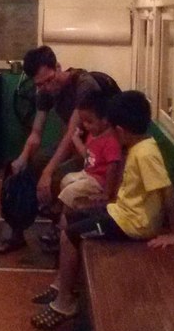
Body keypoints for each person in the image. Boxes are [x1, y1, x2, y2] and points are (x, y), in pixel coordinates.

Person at [30, 90, 174, 330]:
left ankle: (65, 303)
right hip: (121, 212)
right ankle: (62, 285)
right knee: (70, 217)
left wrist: (173, 232)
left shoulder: (145, 153)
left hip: (132, 224)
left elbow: (167, 190)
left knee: (71, 235)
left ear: (120, 130)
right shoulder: (140, 147)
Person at [0, 45, 118, 254]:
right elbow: (36, 133)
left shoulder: (84, 85)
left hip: (94, 149)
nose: (46, 87)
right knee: (29, 167)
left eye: (49, 80)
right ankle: (18, 232)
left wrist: (48, 172)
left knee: (56, 176)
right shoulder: (44, 91)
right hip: (75, 143)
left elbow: (71, 133)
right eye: (40, 84)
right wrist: (22, 159)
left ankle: (60, 229)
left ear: (58, 67)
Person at [48, 89, 122, 238]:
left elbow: (113, 168)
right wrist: (76, 139)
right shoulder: (94, 135)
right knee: (65, 180)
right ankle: (65, 214)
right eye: (83, 122)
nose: (86, 126)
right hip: (89, 173)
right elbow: (87, 156)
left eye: (90, 122)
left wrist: (107, 193)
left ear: (105, 120)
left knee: (69, 192)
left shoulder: (110, 141)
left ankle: (62, 228)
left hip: (98, 181)